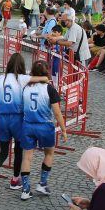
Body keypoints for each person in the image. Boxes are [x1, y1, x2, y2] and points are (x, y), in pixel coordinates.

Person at [18, 60, 67, 199]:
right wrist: (63, 129)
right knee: (49, 153)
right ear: (46, 72)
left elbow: (21, 107)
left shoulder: (25, 87)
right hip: (45, 125)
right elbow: (57, 112)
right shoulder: (49, 88)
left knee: (27, 157)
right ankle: (42, 183)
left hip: (28, 125)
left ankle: (25, 189)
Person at [0, 53, 29, 198]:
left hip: (2, 118)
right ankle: (15, 180)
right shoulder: (22, 79)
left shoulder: (1, 78)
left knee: (3, 152)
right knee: (18, 151)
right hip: (17, 118)